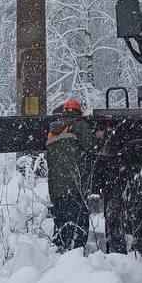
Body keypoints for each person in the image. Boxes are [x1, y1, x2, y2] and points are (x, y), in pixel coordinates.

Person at [46, 97, 93, 251]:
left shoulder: (53, 131)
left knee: (61, 221)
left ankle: (59, 250)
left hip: (56, 189)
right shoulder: (79, 125)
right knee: (79, 220)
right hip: (74, 186)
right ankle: (77, 253)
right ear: (78, 111)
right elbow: (91, 147)